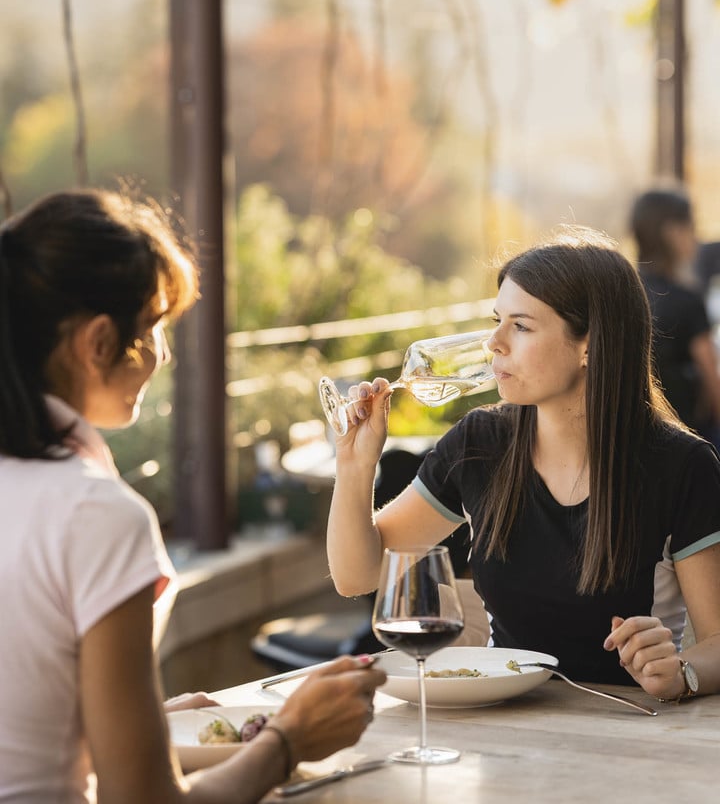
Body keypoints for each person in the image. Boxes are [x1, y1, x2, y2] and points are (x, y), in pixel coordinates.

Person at [0, 188, 384, 804]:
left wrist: (140, 727)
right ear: (98, 342)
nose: (163, 354)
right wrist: (288, 739)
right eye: (153, 326)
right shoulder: (95, 515)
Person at [326, 226, 720, 701]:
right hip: (499, 728)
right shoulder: (480, 443)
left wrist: (680, 672)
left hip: (629, 731)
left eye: (521, 325)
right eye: (497, 320)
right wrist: (354, 464)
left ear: (590, 345)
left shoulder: (680, 466)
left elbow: (717, 642)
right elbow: (358, 575)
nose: (494, 342)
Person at [630, 185, 720, 443]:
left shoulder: (623, 289)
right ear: (672, 233)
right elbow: (711, 377)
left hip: (635, 428)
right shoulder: (685, 300)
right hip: (685, 432)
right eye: (692, 227)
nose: (696, 237)